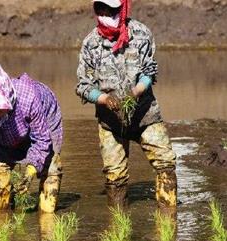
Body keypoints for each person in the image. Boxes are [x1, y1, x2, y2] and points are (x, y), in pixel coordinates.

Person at [76, 0, 177, 209]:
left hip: (144, 114)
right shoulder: (91, 43)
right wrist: (103, 99)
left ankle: (168, 220)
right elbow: (83, 86)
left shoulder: (141, 33)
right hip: (110, 121)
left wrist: (138, 90)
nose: (105, 14)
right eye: (101, 9)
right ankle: (118, 226)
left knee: (165, 162)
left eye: (111, 10)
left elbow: (150, 70)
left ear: (122, 9)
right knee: (115, 177)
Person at [0, 63, 63, 215]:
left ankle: (47, 227)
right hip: (6, 136)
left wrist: (30, 170)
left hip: (44, 120)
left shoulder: (29, 99)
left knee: (50, 178)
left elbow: (43, 140)